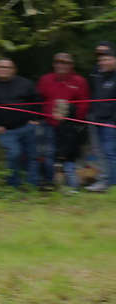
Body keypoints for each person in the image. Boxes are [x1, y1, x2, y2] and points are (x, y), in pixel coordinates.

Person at [0, 57, 46, 189]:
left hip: (27, 127)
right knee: (14, 154)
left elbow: (38, 101)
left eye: (7, 67)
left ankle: (32, 185)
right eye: (0, 67)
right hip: (6, 130)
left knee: (32, 156)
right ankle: (13, 186)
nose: (3, 70)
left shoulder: (26, 84)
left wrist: (36, 118)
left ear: (13, 70)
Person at [37, 52, 90, 191]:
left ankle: (72, 186)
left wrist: (72, 115)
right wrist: (41, 117)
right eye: (58, 62)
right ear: (54, 64)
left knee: (68, 155)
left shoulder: (79, 81)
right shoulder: (45, 79)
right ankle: (49, 183)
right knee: (48, 153)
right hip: (48, 124)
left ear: (71, 65)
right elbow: (38, 100)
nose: (61, 65)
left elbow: (84, 104)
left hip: (70, 126)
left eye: (65, 62)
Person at [85, 42, 116, 192]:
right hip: (95, 118)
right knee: (99, 152)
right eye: (101, 60)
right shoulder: (96, 74)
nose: (103, 62)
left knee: (109, 151)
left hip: (110, 121)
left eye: (107, 59)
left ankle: (111, 183)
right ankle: (105, 181)